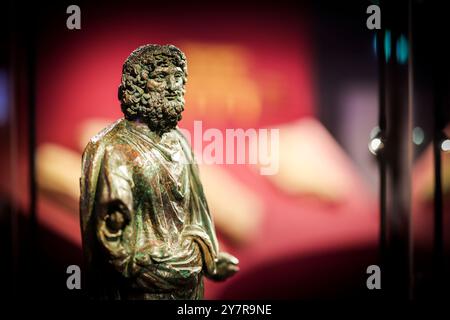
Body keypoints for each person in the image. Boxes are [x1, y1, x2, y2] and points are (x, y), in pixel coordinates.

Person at [79, 44, 238, 300]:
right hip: (143, 285)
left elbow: (195, 213)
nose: (173, 86)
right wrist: (149, 264)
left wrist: (209, 259)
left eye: (178, 78)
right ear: (137, 87)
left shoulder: (180, 141)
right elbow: (110, 236)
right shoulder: (113, 148)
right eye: (162, 77)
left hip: (189, 279)